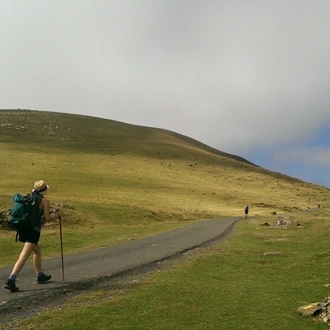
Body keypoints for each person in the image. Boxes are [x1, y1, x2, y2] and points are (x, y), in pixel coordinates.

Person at [4, 180, 62, 292]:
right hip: (33, 231)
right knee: (24, 255)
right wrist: (57, 215)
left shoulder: (27, 198)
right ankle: (11, 280)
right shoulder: (44, 201)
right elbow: (47, 218)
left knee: (37, 251)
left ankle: (40, 275)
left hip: (22, 228)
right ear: (44, 190)